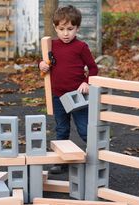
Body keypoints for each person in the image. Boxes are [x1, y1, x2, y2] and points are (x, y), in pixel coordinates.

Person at [39, 5, 98, 174]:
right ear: (56, 28)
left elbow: (93, 68)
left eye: (70, 29)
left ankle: (95, 158)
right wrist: (41, 65)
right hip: (58, 95)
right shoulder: (52, 46)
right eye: (62, 29)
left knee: (84, 129)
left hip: (77, 96)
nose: (66, 33)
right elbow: (45, 63)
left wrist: (86, 82)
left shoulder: (81, 47)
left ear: (77, 28)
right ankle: (61, 162)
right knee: (61, 129)